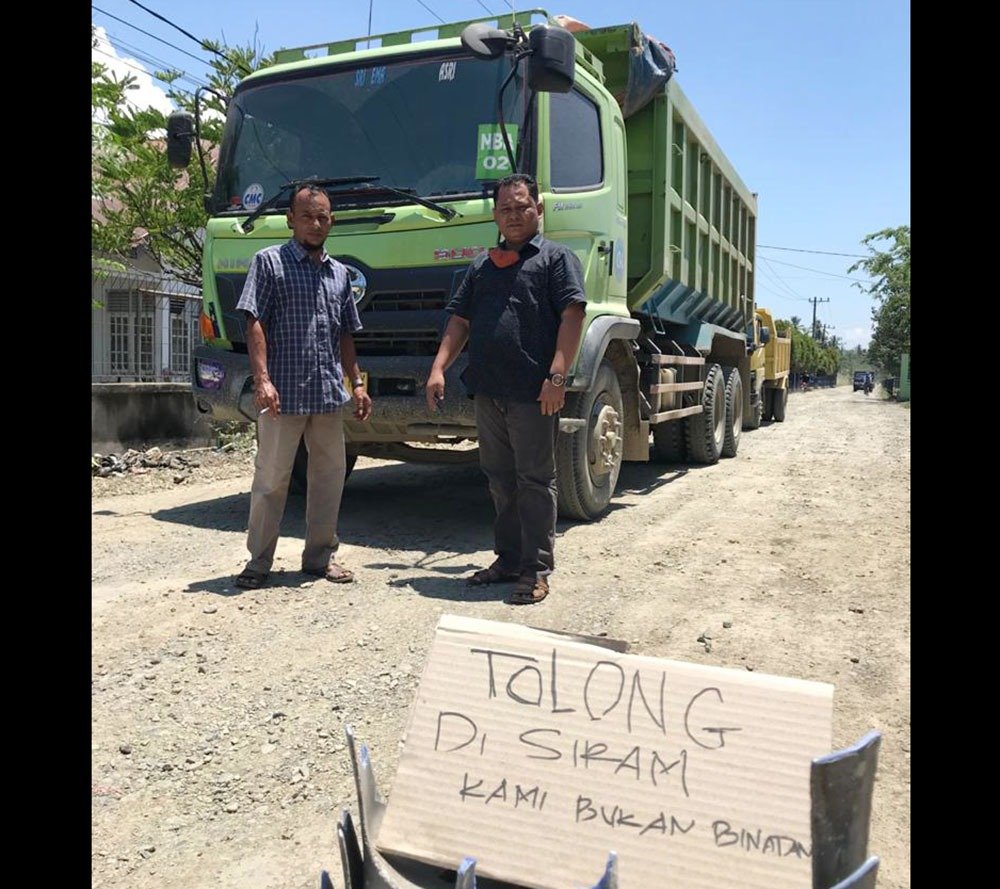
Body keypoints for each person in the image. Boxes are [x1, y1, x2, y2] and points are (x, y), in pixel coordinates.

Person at [425, 173, 587, 605]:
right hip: (489, 390)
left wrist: (556, 377)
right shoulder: (482, 265)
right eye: (505, 209)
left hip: (534, 392)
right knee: (499, 478)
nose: (514, 215)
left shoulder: (556, 259)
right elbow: (460, 321)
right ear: (495, 215)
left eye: (522, 207)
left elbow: (572, 316)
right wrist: (439, 367)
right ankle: (509, 558)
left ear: (539, 209)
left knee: (534, 480)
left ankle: (536, 570)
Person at [233, 184, 372, 590]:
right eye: (308, 216)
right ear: (291, 219)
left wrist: (357, 384)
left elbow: (346, 334)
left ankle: (319, 558)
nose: (316, 223)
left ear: (332, 221)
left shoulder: (339, 273)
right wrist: (262, 379)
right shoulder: (269, 263)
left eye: (323, 217)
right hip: (282, 394)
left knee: (328, 479)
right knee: (272, 479)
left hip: (328, 393)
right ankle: (258, 562)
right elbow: (253, 321)